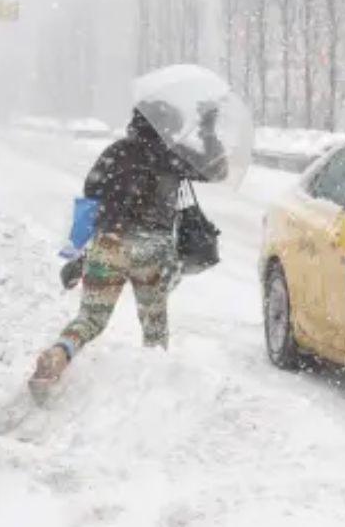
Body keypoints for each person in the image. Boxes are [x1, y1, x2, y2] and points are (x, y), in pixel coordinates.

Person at [30, 102, 227, 390]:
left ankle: (58, 355)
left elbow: (91, 195)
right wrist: (207, 131)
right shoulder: (172, 156)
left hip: (108, 244)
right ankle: (149, 393)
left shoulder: (115, 153)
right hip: (153, 249)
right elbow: (216, 170)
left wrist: (81, 255)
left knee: (89, 319)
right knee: (154, 326)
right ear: (167, 127)